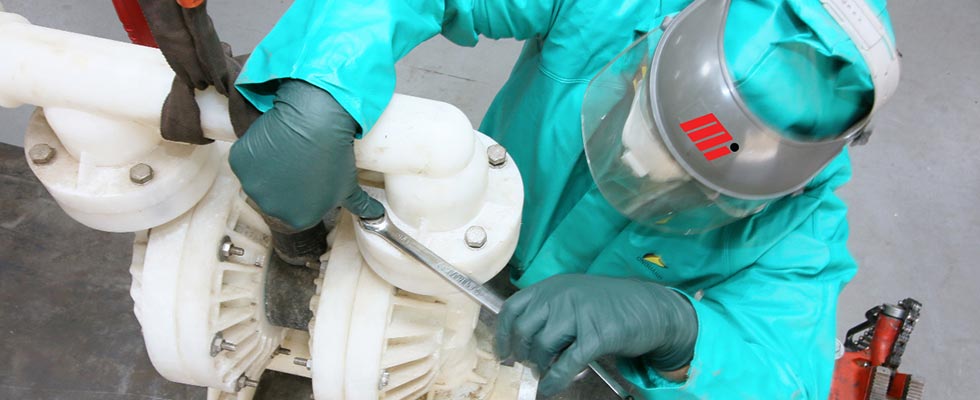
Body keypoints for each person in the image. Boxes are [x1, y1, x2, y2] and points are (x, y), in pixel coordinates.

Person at [228, 0, 899, 397]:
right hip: (462, 233)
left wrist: (679, 328)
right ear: (664, 37)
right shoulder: (619, 8)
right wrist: (325, 79)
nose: (644, 168)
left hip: (565, 372)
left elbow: (786, 374)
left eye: (692, 183)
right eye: (650, 127)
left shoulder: (800, 222)